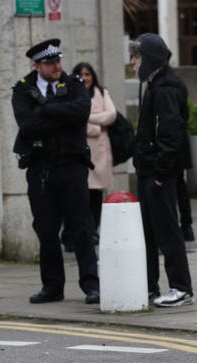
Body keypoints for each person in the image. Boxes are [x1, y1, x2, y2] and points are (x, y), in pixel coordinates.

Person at [11, 38, 100, 305]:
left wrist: (47, 110)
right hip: (40, 169)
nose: (57, 66)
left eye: (58, 60)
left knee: (82, 228)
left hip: (72, 166)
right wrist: (62, 117)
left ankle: (92, 285)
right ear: (36, 65)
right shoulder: (23, 89)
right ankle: (52, 287)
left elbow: (82, 111)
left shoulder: (73, 84)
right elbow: (27, 126)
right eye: (50, 63)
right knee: (46, 229)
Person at [129, 33, 194, 307]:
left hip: (160, 174)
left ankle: (181, 288)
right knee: (150, 230)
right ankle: (150, 286)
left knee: (167, 230)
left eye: (136, 57)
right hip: (151, 170)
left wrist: (159, 172)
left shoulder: (166, 87)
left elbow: (170, 134)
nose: (132, 63)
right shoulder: (155, 83)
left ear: (150, 58)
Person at [72, 62, 117, 244]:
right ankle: (81, 231)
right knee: (81, 195)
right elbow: (71, 117)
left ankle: (94, 230)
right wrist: (96, 124)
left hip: (100, 152)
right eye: (81, 74)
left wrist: (87, 117)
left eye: (88, 74)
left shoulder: (102, 92)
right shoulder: (71, 93)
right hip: (80, 148)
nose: (84, 78)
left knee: (97, 194)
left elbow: (111, 115)